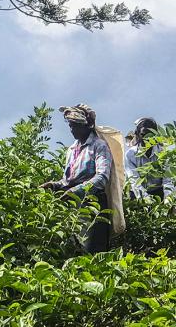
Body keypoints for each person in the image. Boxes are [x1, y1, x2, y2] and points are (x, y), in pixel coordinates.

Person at [40, 104, 113, 254]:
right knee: (73, 249)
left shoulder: (99, 146)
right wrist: (54, 185)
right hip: (73, 204)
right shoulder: (72, 149)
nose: (71, 129)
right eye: (70, 126)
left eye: (75, 126)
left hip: (93, 204)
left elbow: (102, 177)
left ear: (86, 126)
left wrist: (77, 191)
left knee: (91, 249)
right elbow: (68, 180)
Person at [125, 117, 174, 201]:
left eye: (150, 135)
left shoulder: (163, 153)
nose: (146, 139)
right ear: (137, 134)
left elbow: (168, 181)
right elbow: (134, 181)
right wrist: (146, 199)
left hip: (158, 192)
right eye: (143, 135)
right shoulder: (130, 155)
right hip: (137, 193)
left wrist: (168, 199)